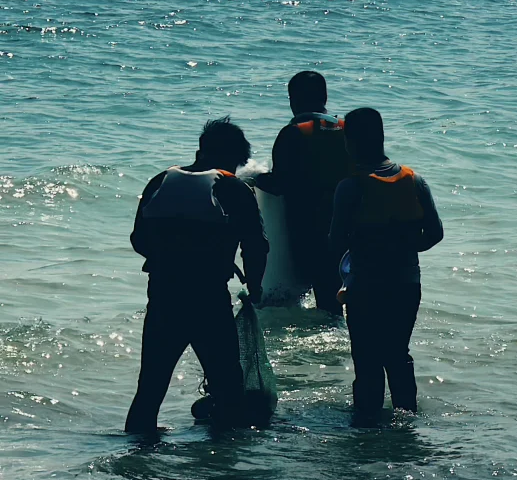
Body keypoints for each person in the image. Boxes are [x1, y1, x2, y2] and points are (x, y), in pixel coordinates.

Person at [124, 117, 268, 433]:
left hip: (163, 296)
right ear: (234, 158)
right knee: (228, 388)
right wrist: (255, 287)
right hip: (208, 300)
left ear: (200, 151)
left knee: (150, 388)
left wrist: (171, 260)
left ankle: (137, 452)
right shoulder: (233, 187)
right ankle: (224, 457)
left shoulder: (160, 181)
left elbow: (138, 239)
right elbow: (256, 246)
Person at [330, 107, 443, 426]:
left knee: (366, 359)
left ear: (350, 142)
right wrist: (402, 247)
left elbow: (335, 242)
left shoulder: (350, 187)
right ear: (381, 137)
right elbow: (435, 234)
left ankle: (367, 428)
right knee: (397, 354)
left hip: (365, 286)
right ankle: (407, 423)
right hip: (406, 284)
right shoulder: (414, 180)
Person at [255, 70, 353, 312]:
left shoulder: (294, 133)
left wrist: (252, 179)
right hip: (352, 227)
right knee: (341, 295)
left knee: (319, 297)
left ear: (293, 100)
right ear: (325, 97)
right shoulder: (349, 130)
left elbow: (280, 184)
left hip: (311, 228)